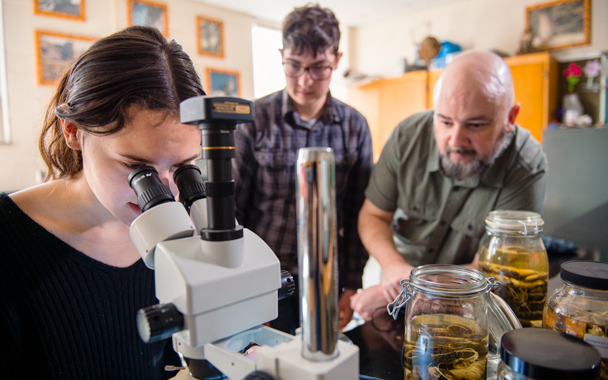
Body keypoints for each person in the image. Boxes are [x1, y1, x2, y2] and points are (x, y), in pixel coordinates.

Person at [0, 26, 206, 379]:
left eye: (184, 167)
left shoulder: (185, 230)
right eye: (137, 168)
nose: (168, 192)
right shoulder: (7, 243)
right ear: (73, 132)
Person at [350, 50, 548, 321]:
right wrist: (394, 268)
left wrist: (409, 292)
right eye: (444, 121)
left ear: (510, 118)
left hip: (472, 305)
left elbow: (492, 271)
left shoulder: (526, 163)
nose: (456, 139)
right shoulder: (407, 137)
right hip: (398, 281)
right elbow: (373, 216)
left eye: (475, 125)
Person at [234, 4, 373, 334]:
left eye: (319, 68)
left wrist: (352, 284)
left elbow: (358, 213)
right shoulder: (254, 120)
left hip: (327, 277)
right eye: (293, 66)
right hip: (263, 276)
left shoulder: (355, 126)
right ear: (282, 55)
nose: (304, 80)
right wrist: (241, 287)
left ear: (337, 61)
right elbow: (235, 211)